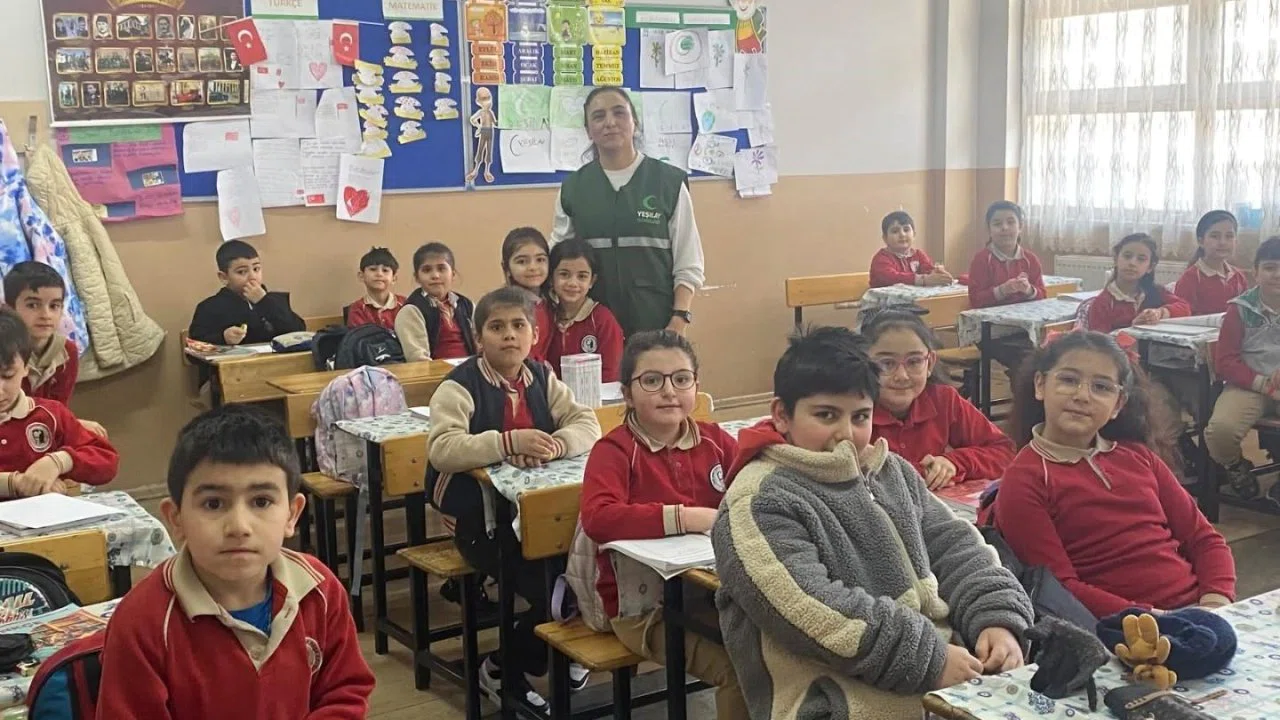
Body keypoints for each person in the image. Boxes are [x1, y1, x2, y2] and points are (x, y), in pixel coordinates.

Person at [713, 326, 1034, 719]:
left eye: (860, 416)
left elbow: (956, 547)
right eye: (826, 415)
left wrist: (995, 619)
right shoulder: (760, 499)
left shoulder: (891, 471)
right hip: (837, 700)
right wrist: (929, 659)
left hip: (942, 674)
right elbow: (809, 610)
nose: (845, 434)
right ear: (782, 414)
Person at [95, 406, 375, 717]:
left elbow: (345, 691)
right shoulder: (141, 622)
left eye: (261, 501)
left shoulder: (319, 589)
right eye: (213, 504)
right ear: (176, 518)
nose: (239, 526)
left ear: (292, 514)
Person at [426, 287, 601, 712]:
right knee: (553, 592)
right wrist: (507, 443)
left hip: (543, 518)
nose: (509, 335)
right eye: (497, 327)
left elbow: (586, 422)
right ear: (478, 336)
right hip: (481, 525)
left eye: (519, 325)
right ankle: (502, 669)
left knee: (588, 577)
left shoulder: (542, 377)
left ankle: (549, 653)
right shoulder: (459, 386)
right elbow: (443, 448)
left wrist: (555, 445)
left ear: (534, 334)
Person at [993, 331, 1235, 618]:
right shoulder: (1026, 479)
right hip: (1122, 628)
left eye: (1101, 387)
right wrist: (1159, 618)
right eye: (1068, 380)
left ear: (1118, 404)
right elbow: (1059, 588)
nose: (1082, 396)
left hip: (1200, 610)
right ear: (1040, 385)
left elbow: (1204, 539)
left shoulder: (1138, 456)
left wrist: (1216, 601)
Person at [579, 331, 744, 719]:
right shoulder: (615, 451)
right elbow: (598, 517)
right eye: (652, 380)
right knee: (739, 669)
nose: (669, 391)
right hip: (642, 610)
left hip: (714, 595)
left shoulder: (716, 442)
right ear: (627, 393)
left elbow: (753, 493)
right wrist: (684, 517)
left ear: (696, 386)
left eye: (681, 379)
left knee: (787, 651)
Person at [550, 87, 704, 337]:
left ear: (635, 122)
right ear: (588, 130)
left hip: (658, 323)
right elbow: (557, 258)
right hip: (592, 328)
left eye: (619, 113)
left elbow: (689, 261)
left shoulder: (668, 183)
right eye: (598, 116)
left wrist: (679, 319)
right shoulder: (573, 189)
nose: (610, 122)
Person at [864, 310, 1014, 488]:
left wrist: (954, 463)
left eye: (914, 362)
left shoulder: (944, 400)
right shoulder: (854, 411)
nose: (902, 376)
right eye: (887, 363)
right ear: (864, 363)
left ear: (930, 363)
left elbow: (1005, 451)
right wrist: (925, 471)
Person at [0, 308, 116, 498]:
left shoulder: (50, 414)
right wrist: (16, 483)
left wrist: (59, 461)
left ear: (26, 368)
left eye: (8, 375)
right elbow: (23, 483)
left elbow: (107, 461)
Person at [1205, 236, 1280, 502]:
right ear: (1255, 272)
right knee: (1220, 430)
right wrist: (1262, 383)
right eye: (1270, 268)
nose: (1277, 275)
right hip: (1248, 384)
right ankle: (1235, 466)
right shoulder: (1239, 309)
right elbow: (1226, 361)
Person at [967, 200, 1047, 381]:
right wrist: (1002, 290)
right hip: (992, 332)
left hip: (1024, 330)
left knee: (1048, 354)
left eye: (1011, 222)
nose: (1004, 228)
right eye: (997, 224)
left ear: (1020, 227)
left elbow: (1042, 295)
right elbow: (976, 300)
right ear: (989, 229)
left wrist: (1029, 290)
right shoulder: (982, 260)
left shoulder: (1030, 259)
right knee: (1026, 361)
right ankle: (1023, 394)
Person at [188, 240, 305, 346]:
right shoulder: (210, 307)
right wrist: (223, 338)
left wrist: (264, 302)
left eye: (256, 269)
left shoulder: (274, 301)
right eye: (242, 272)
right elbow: (195, 346)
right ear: (224, 277)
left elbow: (299, 332)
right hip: (236, 362)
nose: (252, 276)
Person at [546, 239, 623, 381]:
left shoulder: (603, 321)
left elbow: (611, 372)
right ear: (551, 278)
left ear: (592, 281)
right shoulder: (545, 316)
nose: (572, 283)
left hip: (596, 394)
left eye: (582, 276)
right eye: (564, 274)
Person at [3, 262, 77, 405]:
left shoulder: (67, 351)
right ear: (9, 308)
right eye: (33, 305)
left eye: (54, 306)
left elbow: (59, 407)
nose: (46, 315)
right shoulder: (4, 349)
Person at [1086, 233, 1189, 332]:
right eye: (1127, 256)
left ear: (1150, 267)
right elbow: (1099, 341)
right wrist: (1131, 329)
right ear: (1116, 259)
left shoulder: (1155, 291)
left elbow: (1185, 307)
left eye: (1141, 259)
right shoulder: (1103, 303)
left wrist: (1159, 312)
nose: (1132, 263)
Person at [394, 242, 475, 361]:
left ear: (452, 274)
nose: (435, 275)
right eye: (427, 270)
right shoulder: (411, 311)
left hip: (471, 369)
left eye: (441, 269)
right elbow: (418, 359)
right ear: (417, 277)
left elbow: (481, 345)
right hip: (434, 371)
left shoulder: (467, 305)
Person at [1175, 210, 1249, 316]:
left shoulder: (1239, 277)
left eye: (1229, 236)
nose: (1223, 242)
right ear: (1201, 241)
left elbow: (1246, 312)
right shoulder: (1191, 278)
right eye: (1215, 236)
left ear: (1236, 241)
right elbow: (1180, 315)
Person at [501, 227, 553, 362]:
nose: (533, 267)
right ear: (506, 268)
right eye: (522, 261)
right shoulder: (505, 307)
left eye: (540, 260)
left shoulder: (549, 301)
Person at [869, 211, 952, 288]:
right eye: (895, 231)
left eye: (906, 230)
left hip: (915, 298)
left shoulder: (919, 255)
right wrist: (923, 279)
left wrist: (938, 275)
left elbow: (928, 271)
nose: (902, 234)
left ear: (914, 234)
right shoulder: (881, 258)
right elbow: (891, 277)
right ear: (885, 238)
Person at [346, 246, 405, 331]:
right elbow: (360, 337)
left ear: (394, 278)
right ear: (361, 276)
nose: (379, 274)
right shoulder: (357, 309)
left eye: (385, 270)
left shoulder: (405, 304)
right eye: (373, 269)